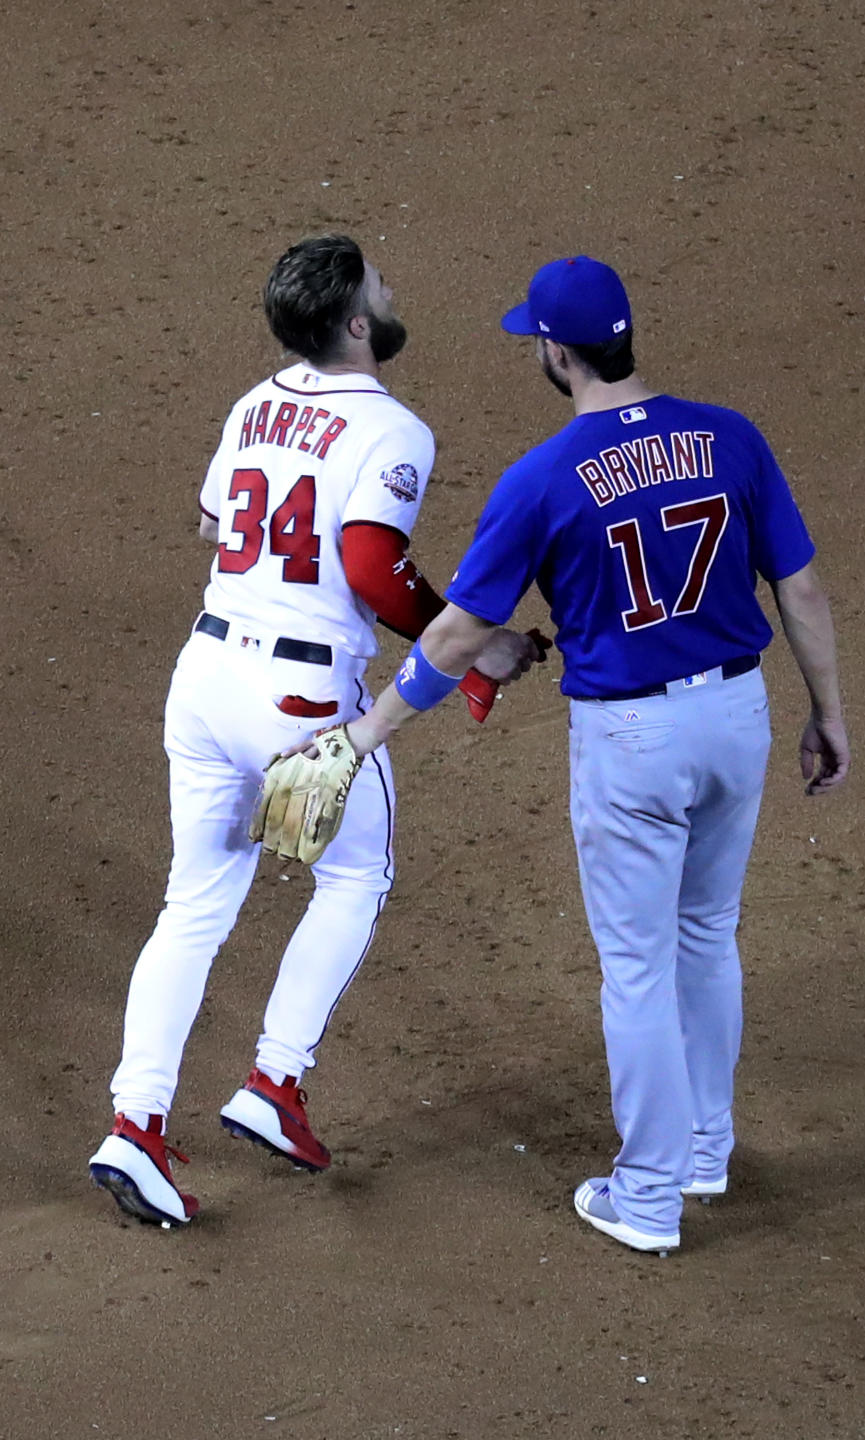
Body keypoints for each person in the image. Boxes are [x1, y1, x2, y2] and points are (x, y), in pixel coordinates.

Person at [326, 255, 850, 1254]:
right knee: (708, 933)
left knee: (638, 969)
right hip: (739, 714)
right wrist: (829, 712)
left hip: (634, 739)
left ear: (555, 354)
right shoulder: (730, 436)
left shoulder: (542, 481)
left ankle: (649, 1198)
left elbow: (452, 636)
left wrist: (371, 728)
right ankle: (705, 1149)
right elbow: (805, 592)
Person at [89, 234, 535, 1228]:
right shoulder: (394, 429)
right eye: (380, 280)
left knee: (194, 903)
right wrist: (468, 645)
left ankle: (136, 1123)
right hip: (300, 699)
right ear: (356, 323)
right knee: (352, 875)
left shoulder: (254, 403)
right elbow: (374, 566)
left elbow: (217, 523)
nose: (393, 282)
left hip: (204, 679)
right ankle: (274, 1085)